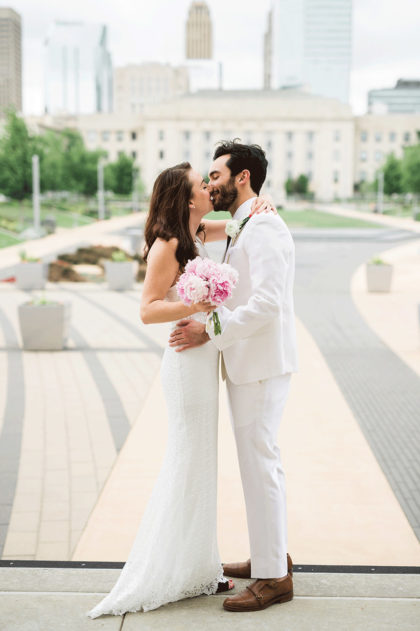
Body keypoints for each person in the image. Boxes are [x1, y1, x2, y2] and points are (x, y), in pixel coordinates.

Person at [87, 161, 274, 618]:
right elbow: (148, 310)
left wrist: (265, 204)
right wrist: (197, 303)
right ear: (188, 199)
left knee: (201, 464)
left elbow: (239, 221)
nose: (211, 186)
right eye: (202, 184)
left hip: (202, 359)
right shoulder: (169, 244)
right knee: (187, 460)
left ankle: (197, 566)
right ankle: (168, 568)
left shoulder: (197, 232)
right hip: (186, 365)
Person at [170, 141, 298, 612]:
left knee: (260, 465)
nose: (210, 183)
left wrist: (210, 328)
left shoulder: (262, 226)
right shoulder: (246, 221)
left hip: (261, 366)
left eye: (217, 175)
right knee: (258, 465)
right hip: (250, 364)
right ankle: (270, 555)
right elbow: (190, 223)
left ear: (242, 177)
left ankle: (274, 578)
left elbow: (267, 303)